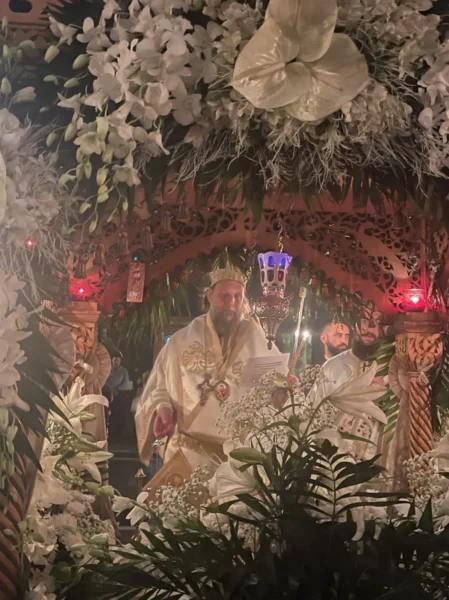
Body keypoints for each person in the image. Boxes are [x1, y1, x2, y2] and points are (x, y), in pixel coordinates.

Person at [135, 266, 280, 486]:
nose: (231, 303)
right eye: (224, 296)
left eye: (237, 296)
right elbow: (160, 386)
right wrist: (163, 408)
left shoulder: (258, 338)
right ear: (210, 296)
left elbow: (278, 383)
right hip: (188, 456)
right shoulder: (180, 341)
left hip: (240, 460)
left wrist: (285, 387)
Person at [308, 310, 387, 461]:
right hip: (334, 460)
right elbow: (314, 410)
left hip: (374, 459)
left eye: (377, 322)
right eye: (365, 321)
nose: (370, 329)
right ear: (353, 325)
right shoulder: (332, 366)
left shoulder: (390, 368)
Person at [104, 353, 130, 442]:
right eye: (115, 360)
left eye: (118, 360)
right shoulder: (108, 369)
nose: (116, 362)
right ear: (112, 360)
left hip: (119, 394)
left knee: (118, 414)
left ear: (120, 362)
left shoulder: (124, 371)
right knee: (108, 414)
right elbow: (105, 380)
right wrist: (111, 389)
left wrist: (117, 389)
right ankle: (109, 435)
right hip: (108, 393)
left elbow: (126, 382)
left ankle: (118, 436)